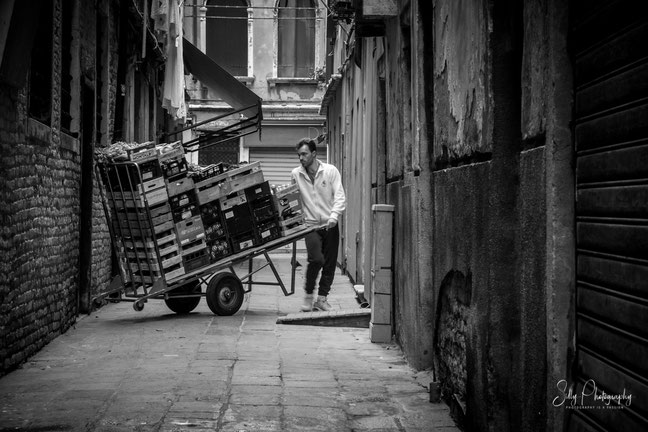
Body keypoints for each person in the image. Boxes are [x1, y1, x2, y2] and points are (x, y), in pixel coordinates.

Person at [291, 138, 346, 312]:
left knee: (329, 263)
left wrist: (334, 216)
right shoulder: (296, 174)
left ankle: (321, 299)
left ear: (314, 154)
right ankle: (308, 296)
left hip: (330, 224)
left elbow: (340, 195)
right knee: (316, 259)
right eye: (299, 155)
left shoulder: (330, 171)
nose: (301, 158)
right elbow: (293, 200)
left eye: (304, 154)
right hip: (310, 226)